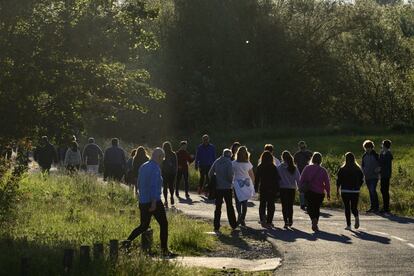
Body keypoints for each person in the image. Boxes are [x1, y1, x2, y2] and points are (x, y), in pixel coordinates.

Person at [127, 148, 174, 257]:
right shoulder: (155, 168)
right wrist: (153, 203)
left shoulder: (143, 166)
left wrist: (141, 197)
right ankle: (164, 250)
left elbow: (138, 183)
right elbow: (153, 186)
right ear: (158, 157)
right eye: (162, 158)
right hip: (154, 201)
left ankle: (126, 242)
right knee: (163, 224)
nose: (162, 160)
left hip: (143, 201)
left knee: (143, 226)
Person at [298, 152, 330, 232]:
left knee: (309, 208)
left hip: (310, 191)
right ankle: (315, 222)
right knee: (316, 208)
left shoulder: (307, 168)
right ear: (320, 160)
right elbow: (327, 182)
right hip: (320, 193)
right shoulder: (323, 170)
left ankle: (313, 220)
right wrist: (328, 192)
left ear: (312, 159)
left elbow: (301, 179)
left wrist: (301, 187)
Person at [209, 149, 238, 232]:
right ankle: (233, 224)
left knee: (218, 207)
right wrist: (231, 182)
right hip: (227, 188)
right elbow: (229, 175)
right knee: (229, 206)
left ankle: (216, 225)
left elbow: (210, 173)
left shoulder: (217, 161)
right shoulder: (229, 162)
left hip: (218, 188)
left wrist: (215, 179)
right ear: (230, 155)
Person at [336, 152, 364, 230]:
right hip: (355, 191)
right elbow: (362, 179)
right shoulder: (358, 169)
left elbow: (339, 180)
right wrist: (358, 186)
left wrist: (337, 190)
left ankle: (349, 225)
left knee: (347, 208)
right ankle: (356, 217)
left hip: (345, 190)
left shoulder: (342, 169)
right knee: (354, 207)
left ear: (346, 159)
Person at [255, 151, 281, 228]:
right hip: (271, 188)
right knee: (271, 205)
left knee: (262, 204)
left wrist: (256, 188)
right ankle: (269, 221)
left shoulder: (260, 167)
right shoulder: (273, 167)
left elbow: (257, 179)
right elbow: (276, 179)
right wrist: (278, 189)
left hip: (263, 188)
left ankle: (262, 219)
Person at [232, 146, 255, 226]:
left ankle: (239, 215)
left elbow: (232, 174)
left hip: (237, 183)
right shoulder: (248, 163)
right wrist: (253, 184)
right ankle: (242, 219)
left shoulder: (234, 163)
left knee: (238, 202)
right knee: (245, 202)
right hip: (246, 183)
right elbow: (252, 175)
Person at [278, 151, 300, 229]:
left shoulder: (280, 167)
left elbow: (277, 178)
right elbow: (298, 179)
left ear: (282, 157)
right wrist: (299, 188)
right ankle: (290, 220)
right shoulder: (294, 167)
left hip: (282, 188)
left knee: (284, 206)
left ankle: (285, 221)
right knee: (290, 205)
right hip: (291, 189)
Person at [361, 140, 381, 213]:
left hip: (374, 176)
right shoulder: (364, 156)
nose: (367, 149)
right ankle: (373, 207)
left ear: (372, 147)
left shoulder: (376, 155)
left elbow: (380, 164)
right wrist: (363, 173)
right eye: (366, 148)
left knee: (372, 190)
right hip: (367, 176)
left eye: (369, 147)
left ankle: (376, 207)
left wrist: (378, 169)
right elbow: (362, 166)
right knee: (370, 191)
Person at [294, 141, 313, 211]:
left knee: (305, 189)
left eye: (303, 147)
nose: (302, 148)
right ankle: (303, 203)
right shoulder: (298, 154)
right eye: (302, 147)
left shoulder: (308, 153)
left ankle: (305, 203)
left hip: (306, 174)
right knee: (303, 189)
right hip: (301, 174)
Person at [379, 140, 393, 214]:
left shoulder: (388, 154)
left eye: (382, 145)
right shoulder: (383, 153)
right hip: (383, 174)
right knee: (382, 190)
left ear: (384, 146)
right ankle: (385, 207)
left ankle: (386, 207)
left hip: (386, 174)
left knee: (385, 190)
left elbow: (384, 164)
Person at [162, 141, 178, 208]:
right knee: (171, 186)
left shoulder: (163, 154)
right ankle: (171, 196)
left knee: (165, 187)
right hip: (172, 172)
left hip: (165, 173)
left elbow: (161, 164)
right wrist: (175, 171)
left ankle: (165, 200)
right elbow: (176, 163)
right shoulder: (173, 154)